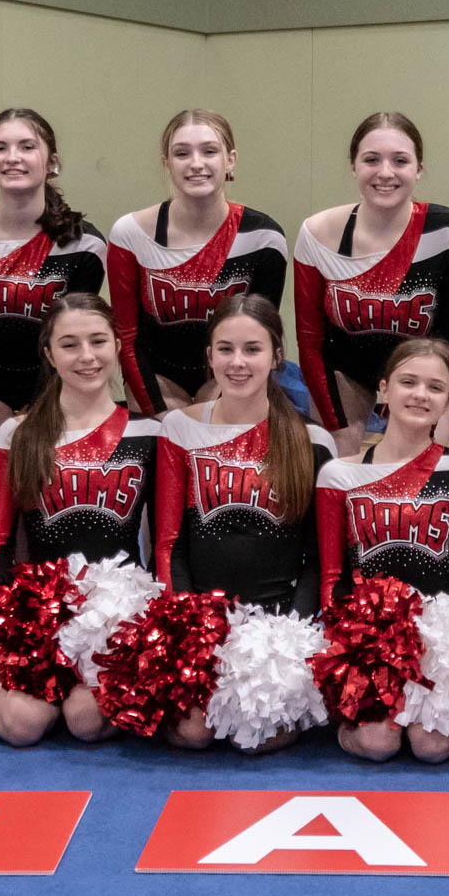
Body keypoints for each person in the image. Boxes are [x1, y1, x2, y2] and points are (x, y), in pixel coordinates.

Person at [152, 295, 336, 751]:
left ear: (277, 357)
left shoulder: (310, 440)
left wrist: (289, 633)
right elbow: (168, 543)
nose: (238, 362)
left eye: (252, 349)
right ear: (209, 355)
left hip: (279, 626)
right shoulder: (179, 430)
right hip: (203, 621)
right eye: (225, 349)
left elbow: (320, 559)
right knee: (193, 733)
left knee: (255, 737)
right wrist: (186, 626)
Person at [0, 293, 161, 747]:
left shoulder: (149, 433)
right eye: (69, 344)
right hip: (39, 609)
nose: (86, 357)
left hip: (115, 611)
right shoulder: (18, 434)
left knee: (87, 721)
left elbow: (164, 540)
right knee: (19, 727)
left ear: (118, 346)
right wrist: (3, 627)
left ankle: (80, 684)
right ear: (48, 354)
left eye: (98, 341)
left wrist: (156, 627)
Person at [315, 339, 449, 762]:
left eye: (434, 387)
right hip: (368, 640)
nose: (419, 394)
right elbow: (331, 577)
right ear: (383, 389)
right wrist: (347, 648)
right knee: (378, 744)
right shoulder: (340, 475)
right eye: (408, 382)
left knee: (431, 747)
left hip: (440, 639)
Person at [294, 112, 449, 454]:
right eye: (371, 160)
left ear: (419, 168)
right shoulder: (319, 234)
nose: (385, 173)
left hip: (421, 370)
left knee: (418, 467)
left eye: (400, 160)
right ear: (353, 166)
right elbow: (310, 341)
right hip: (344, 370)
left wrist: (431, 425)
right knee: (334, 461)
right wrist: (337, 431)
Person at [0, 108, 106, 445]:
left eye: (27, 147)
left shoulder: (84, 244)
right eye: (0, 148)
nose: (12, 158)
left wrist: (39, 414)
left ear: (51, 161)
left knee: (36, 465)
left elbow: (72, 340)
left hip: (56, 376)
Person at [108, 109, 288, 414]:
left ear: (230, 159)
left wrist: (222, 400)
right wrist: (157, 413)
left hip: (232, 371)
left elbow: (260, 335)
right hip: (157, 375)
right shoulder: (131, 233)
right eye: (182, 153)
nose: (196, 164)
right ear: (166, 162)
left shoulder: (263, 237)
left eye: (209, 151)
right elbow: (127, 335)